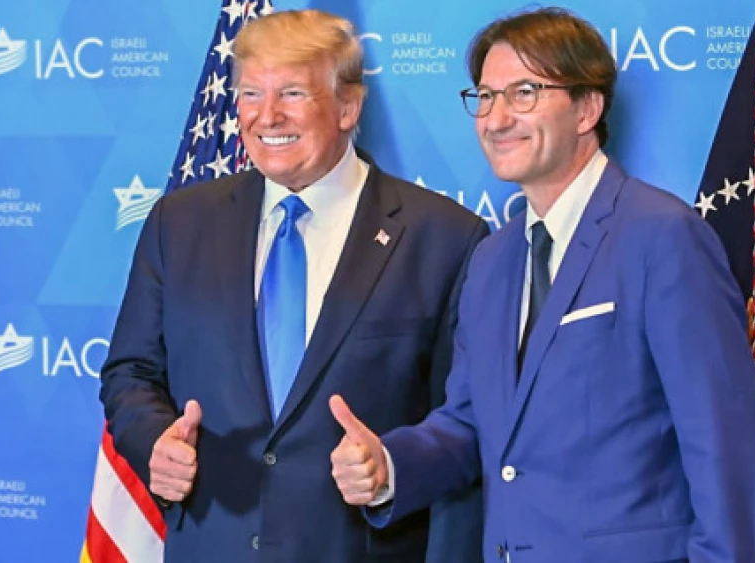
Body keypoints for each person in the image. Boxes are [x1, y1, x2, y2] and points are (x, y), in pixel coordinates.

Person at [329, 7, 755, 562]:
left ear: (587, 107)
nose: (495, 119)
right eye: (485, 97)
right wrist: (390, 466)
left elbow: (726, 442)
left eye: (523, 93)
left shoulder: (662, 237)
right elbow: (471, 422)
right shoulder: (492, 258)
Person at [100, 9, 487, 563]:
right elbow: (130, 372)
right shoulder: (178, 223)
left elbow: (469, 414)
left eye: (293, 94)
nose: (266, 116)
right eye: (251, 94)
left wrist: (393, 465)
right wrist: (154, 440)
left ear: (349, 107)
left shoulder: (445, 237)